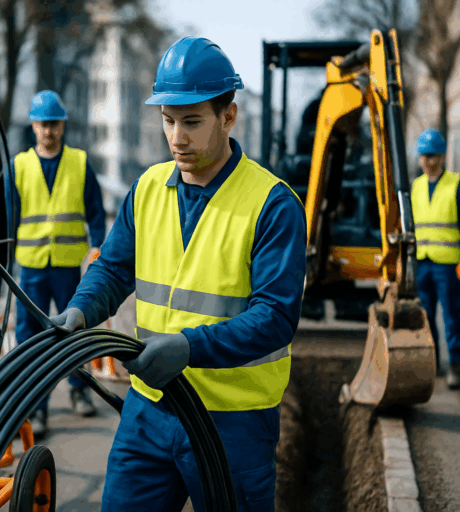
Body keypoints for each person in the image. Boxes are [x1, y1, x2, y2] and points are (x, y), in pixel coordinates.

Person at [51, 37, 307, 511]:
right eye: (168, 121)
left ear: (228, 117)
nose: (176, 138)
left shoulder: (272, 205)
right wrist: (80, 310)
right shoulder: (147, 189)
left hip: (234, 422)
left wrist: (190, 348)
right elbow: (112, 268)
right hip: (148, 410)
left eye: (192, 122)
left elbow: (275, 318)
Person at [8, 90, 107, 438]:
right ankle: (37, 407)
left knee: (73, 332)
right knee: (29, 336)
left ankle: (80, 389)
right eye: (42, 124)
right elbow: (8, 217)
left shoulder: (79, 163)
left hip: (67, 265)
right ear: (33, 126)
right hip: (32, 267)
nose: (48, 130)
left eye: (53, 124)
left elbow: (95, 212)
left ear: (62, 126)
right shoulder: (18, 167)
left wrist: (98, 248)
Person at [411, 129, 460, 389]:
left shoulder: (457, 184)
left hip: (447, 264)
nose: (428, 161)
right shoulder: (416, 186)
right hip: (422, 263)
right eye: (424, 156)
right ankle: (433, 362)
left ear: (443, 156)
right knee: (426, 316)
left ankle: (457, 364)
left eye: (433, 156)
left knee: (451, 315)